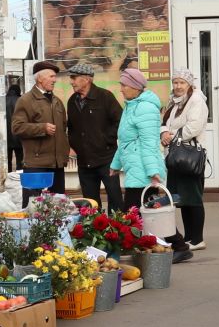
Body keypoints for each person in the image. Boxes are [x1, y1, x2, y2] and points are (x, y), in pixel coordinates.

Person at [114, 68, 192, 262]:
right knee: (151, 212)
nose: (121, 89)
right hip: (136, 167)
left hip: (144, 171)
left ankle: (134, 250)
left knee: (134, 213)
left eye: (124, 85)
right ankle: (177, 246)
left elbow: (149, 144)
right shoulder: (131, 106)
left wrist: (153, 173)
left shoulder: (146, 108)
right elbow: (125, 140)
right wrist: (116, 164)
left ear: (134, 86)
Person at [161, 68, 211, 250]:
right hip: (176, 156)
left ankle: (197, 239)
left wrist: (172, 135)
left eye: (181, 82)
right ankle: (189, 238)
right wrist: (164, 132)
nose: (178, 86)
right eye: (175, 82)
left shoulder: (197, 101)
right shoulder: (174, 102)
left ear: (189, 84)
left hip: (189, 156)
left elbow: (194, 127)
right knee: (182, 199)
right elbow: (164, 122)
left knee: (193, 197)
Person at [65, 61, 123, 211]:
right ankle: (95, 231)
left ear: (87, 79)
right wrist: (74, 144)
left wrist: (105, 140)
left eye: (74, 77)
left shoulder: (105, 96)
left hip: (107, 159)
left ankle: (117, 231)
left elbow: (119, 121)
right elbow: (71, 127)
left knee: (115, 198)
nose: (71, 81)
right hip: (84, 162)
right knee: (90, 203)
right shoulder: (72, 101)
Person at [11, 61, 69, 203]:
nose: (54, 80)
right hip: (36, 165)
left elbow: (63, 128)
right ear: (39, 79)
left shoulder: (57, 101)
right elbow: (17, 127)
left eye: (55, 77)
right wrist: (42, 128)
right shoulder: (25, 100)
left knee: (57, 210)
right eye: (51, 76)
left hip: (57, 164)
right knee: (33, 207)